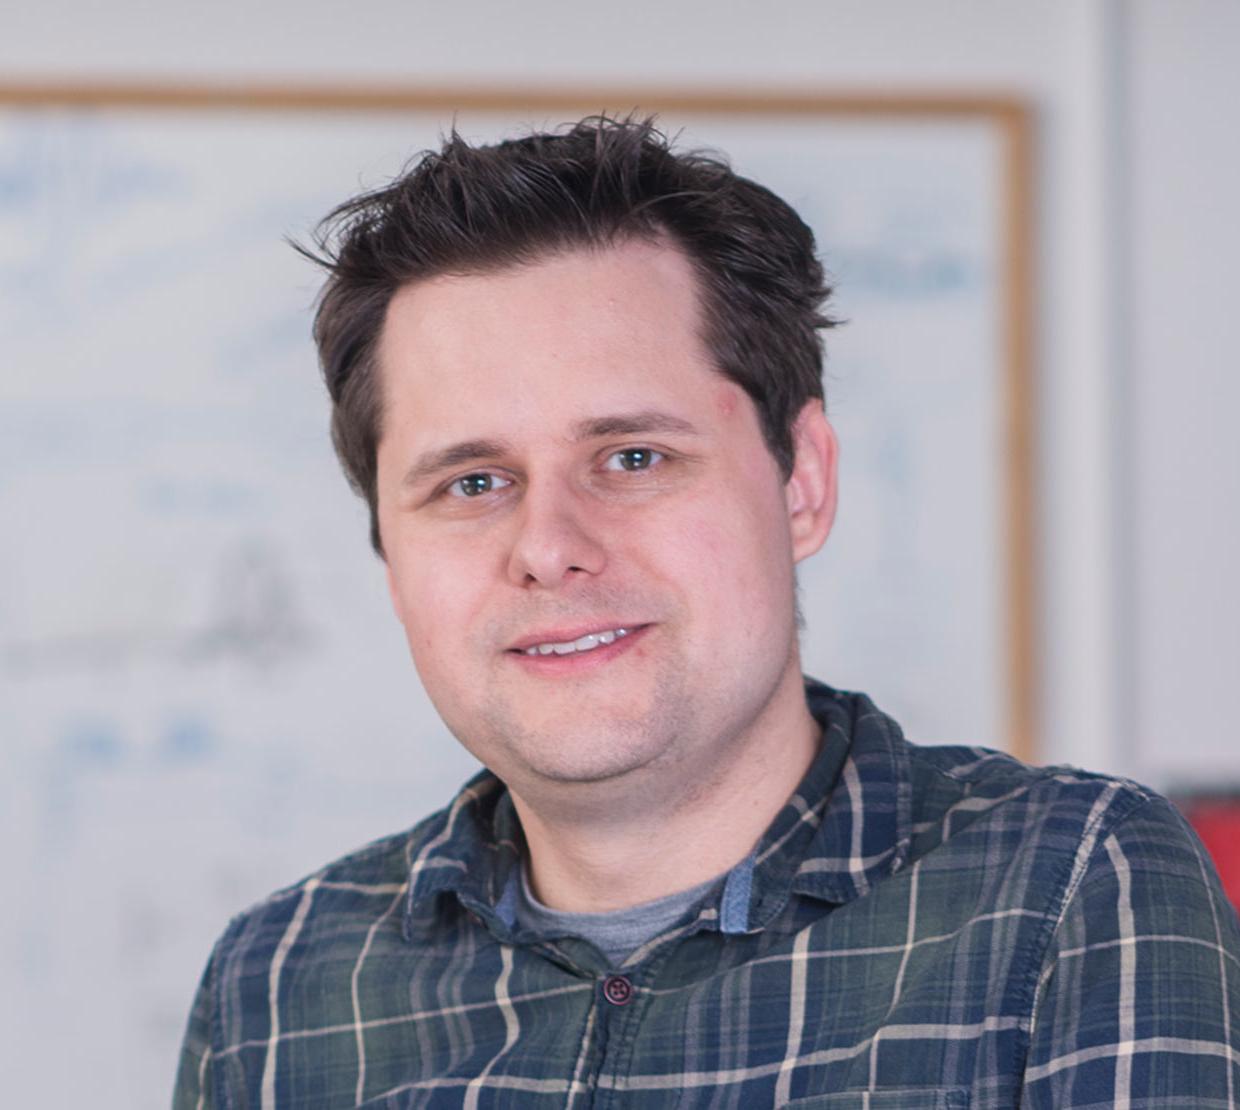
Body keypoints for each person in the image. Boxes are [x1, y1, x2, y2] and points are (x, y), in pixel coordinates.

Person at [174, 116, 1240, 1108]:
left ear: (801, 481)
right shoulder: (274, 990)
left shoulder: (1068, 890)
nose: (548, 549)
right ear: (389, 552)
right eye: (472, 483)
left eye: (633, 457)